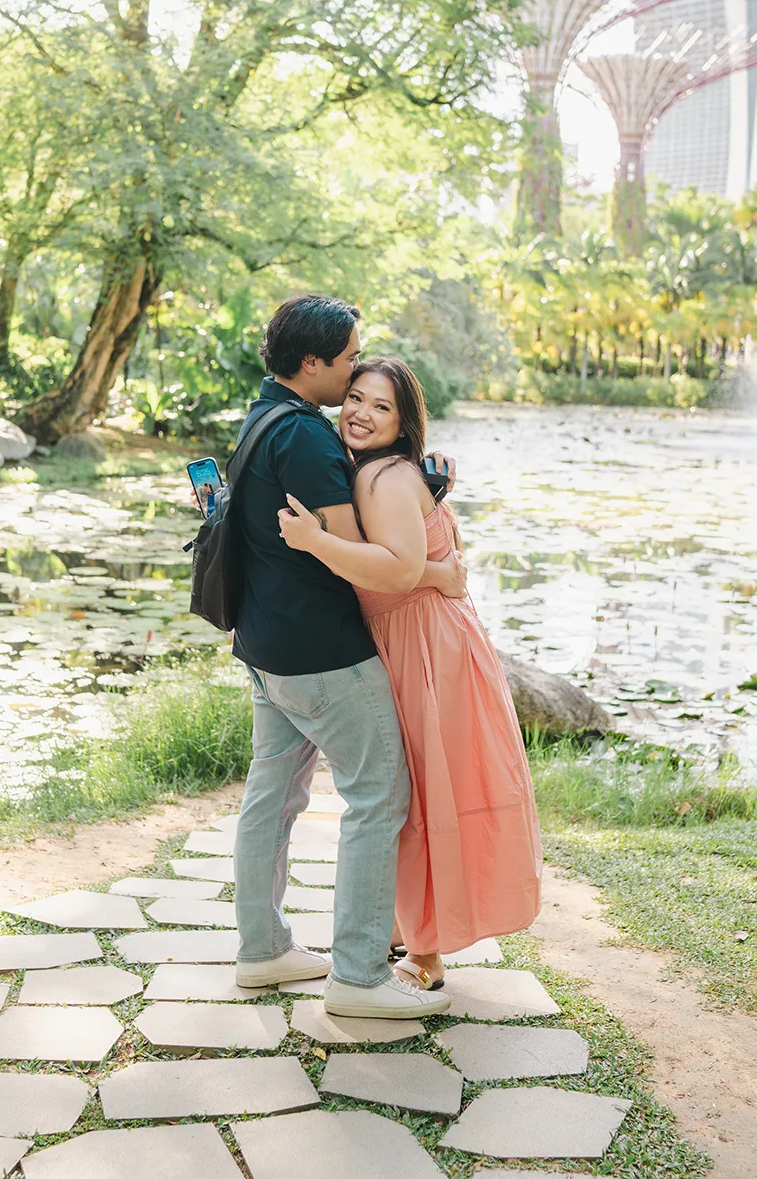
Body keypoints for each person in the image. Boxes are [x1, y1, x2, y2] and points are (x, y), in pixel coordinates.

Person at [231, 296, 465, 1018]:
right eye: (348, 363)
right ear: (314, 364)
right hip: (322, 653)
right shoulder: (303, 437)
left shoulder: (260, 417)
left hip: (265, 643)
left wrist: (418, 487)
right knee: (379, 800)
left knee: (272, 799)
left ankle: (263, 950)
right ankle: (359, 977)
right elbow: (363, 561)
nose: (355, 371)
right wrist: (432, 569)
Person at [279, 356, 542, 991]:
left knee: (424, 791)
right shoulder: (374, 471)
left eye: (381, 407)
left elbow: (393, 566)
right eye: (357, 399)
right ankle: (402, 928)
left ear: (403, 423)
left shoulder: (384, 477)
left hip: (424, 645)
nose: (362, 414)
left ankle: (425, 953)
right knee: (411, 788)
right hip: (418, 636)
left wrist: (316, 542)